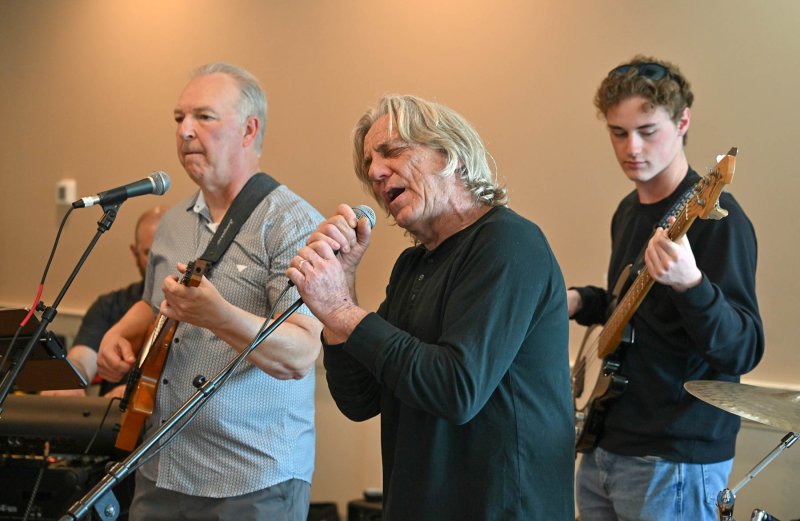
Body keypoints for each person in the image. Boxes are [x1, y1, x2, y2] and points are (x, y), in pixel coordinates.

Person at [287, 95, 575, 520]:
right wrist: (337, 306)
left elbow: (457, 389)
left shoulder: (509, 244)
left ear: (450, 155)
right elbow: (360, 400)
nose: (375, 172)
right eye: (369, 164)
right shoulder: (412, 265)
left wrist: (343, 311)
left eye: (392, 151)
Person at [96, 63, 323, 521]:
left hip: (252, 476)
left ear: (248, 130)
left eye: (203, 117)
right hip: (161, 465)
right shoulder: (174, 221)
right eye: (179, 118)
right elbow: (153, 303)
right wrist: (120, 331)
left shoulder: (294, 224)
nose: (184, 131)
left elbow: (300, 353)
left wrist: (216, 314)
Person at [568, 56, 764, 521]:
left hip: (676, 458)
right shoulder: (626, 210)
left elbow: (743, 348)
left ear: (682, 122)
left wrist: (692, 284)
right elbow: (632, 304)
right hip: (605, 442)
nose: (631, 147)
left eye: (647, 130)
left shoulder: (720, 220)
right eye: (618, 132)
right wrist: (581, 301)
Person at [43, 207, 163, 398]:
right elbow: (81, 360)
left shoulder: (193, 312)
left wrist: (136, 393)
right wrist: (68, 383)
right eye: (149, 253)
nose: (158, 263)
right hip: (110, 419)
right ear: (135, 253)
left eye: (165, 255)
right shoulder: (109, 305)